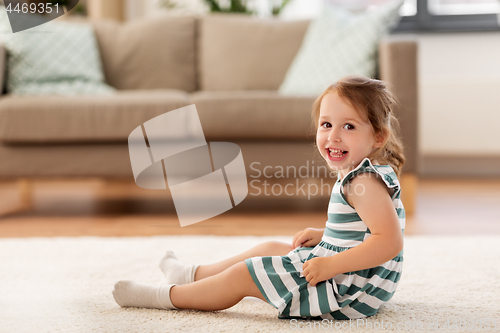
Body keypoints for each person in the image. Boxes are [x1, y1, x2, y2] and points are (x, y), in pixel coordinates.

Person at [112, 75, 406, 320]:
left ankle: (163, 297)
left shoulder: (362, 180)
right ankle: (188, 274)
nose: (333, 136)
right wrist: (325, 236)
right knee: (269, 248)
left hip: (345, 293)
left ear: (378, 137)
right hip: (355, 280)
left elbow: (388, 241)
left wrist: (328, 265)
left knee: (246, 274)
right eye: (326, 125)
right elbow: (363, 229)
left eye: (349, 126)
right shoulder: (365, 172)